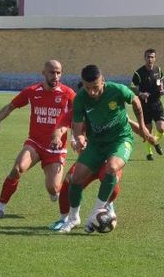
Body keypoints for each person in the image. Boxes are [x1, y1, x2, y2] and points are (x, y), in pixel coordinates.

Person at [56, 64, 153, 233]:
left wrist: (143, 127)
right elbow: (78, 128)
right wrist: (79, 139)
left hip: (120, 140)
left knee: (112, 168)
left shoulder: (117, 90)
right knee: (75, 179)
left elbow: (136, 102)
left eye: (95, 87)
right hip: (96, 144)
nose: (92, 92)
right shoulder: (80, 99)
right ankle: (73, 218)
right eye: (87, 88)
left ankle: (96, 212)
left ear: (103, 82)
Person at [0, 60, 75, 219]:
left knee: (54, 188)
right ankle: (0, 208)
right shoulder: (32, 91)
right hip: (34, 143)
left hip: (56, 148)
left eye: (58, 72)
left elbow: (78, 118)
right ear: (44, 73)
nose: (55, 76)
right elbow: (11, 106)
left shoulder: (68, 94)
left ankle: (56, 194)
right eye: (52, 72)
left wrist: (76, 138)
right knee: (17, 169)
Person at [49, 117, 156, 231]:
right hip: (90, 158)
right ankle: (64, 219)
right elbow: (64, 127)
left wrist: (148, 136)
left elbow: (128, 122)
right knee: (69, 182)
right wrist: (75, 142)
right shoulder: (77, 109)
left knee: (109, 178)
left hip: (110, 156)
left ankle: (107, 206)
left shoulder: (107, 106)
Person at [131, 48, 164, 161]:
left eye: (152, 57)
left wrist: (162, 89)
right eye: (148, 57)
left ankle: (155, 141)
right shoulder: (138, 73)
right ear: (144, 58)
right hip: (144, 105)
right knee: (147, 131)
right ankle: (149, 152)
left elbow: (160, 81)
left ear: (155, 58)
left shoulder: (158, 70)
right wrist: (140, 94)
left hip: (156, 103)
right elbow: (132, 87)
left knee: (161, 128)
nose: (150, 59)